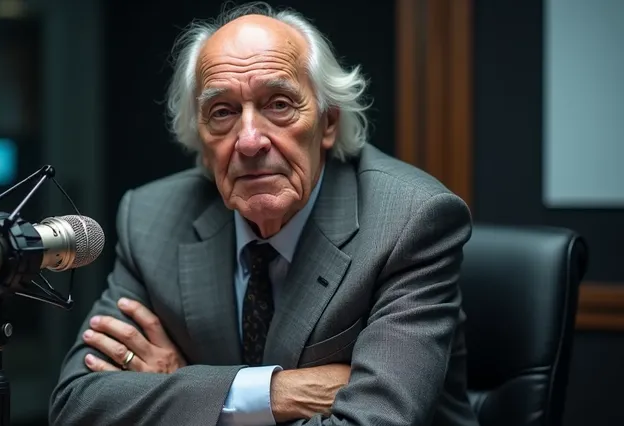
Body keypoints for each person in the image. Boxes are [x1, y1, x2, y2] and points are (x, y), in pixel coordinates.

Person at [49, 2, 479, 426]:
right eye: (223, 112)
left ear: (328, 122)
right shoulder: (151, 219)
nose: (250, 141)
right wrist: (276, 392)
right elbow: (77, 406)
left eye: (278, 104)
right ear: (199, 133)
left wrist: (185, 394)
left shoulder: (410, 222)